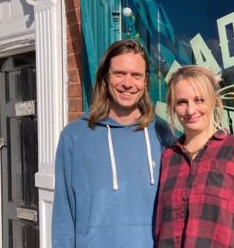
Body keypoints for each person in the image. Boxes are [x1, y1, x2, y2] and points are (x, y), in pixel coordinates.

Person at [52, 39, 171, 248]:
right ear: (105, 78)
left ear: (145, 82)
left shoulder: (162, 135)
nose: (128, 83)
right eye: (119, 73)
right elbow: (64, 214)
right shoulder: (74, 137)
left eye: (136, 75)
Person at [155, 65, 234, 248]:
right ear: (172, 107)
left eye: (199, 100)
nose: (190, 110)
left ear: (214, 101)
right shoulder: (169, 158)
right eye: (181, 102)